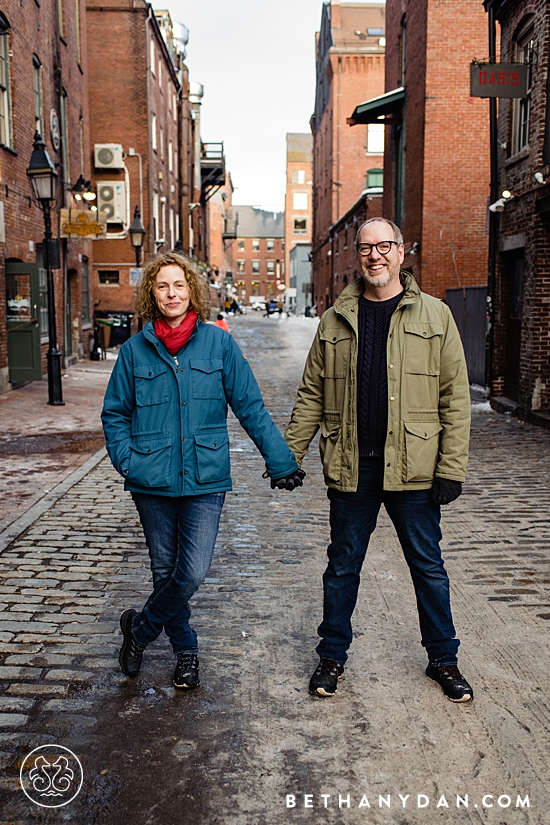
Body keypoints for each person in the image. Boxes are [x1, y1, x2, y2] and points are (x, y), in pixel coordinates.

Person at [285, 218, 473, 702]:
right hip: (353, 466)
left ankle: (444, 660)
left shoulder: (436, 315)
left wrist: (450, 467)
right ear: (356, 255)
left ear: (401, 251)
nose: (376, 256)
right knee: (342, 566)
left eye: (385, 246)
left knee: (427, 566)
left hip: (414, 467)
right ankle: (332, 658)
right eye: (367, 248)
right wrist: (288, 456)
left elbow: (455, 396)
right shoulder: (335, 320)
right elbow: (310, 394)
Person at [102, 252, 304, 690]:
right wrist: (128, 460)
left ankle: (139, 630)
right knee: (163, 570)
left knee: (190, 571)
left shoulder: (219, 344)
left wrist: (281, 458)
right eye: (162, 286)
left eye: (179, 285)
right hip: (150, 480)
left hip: (204, 476)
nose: (172, 294)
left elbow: (249, 406)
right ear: (151, 294)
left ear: (192, 290)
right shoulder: (136, 351)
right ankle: (186, 651)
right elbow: (115, 413)